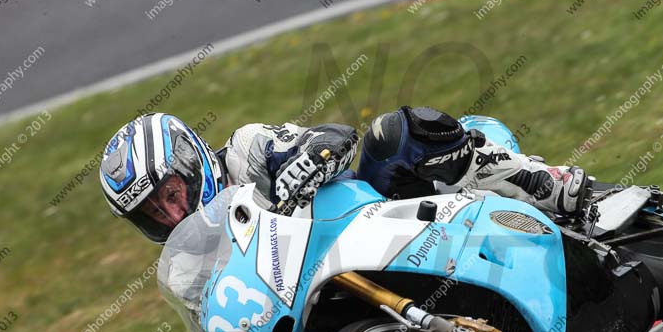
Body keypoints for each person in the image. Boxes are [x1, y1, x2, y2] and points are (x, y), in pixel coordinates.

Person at [99, 107, 588, 245]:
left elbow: (333, 138)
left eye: (171, 193)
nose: (173, 213)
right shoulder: (197, 257)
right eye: (154, 212)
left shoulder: (246, 148)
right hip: (330, 279)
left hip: (377, 216)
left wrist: (297, 172)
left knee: (393, 133)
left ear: (189, 163)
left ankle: (550, 187)